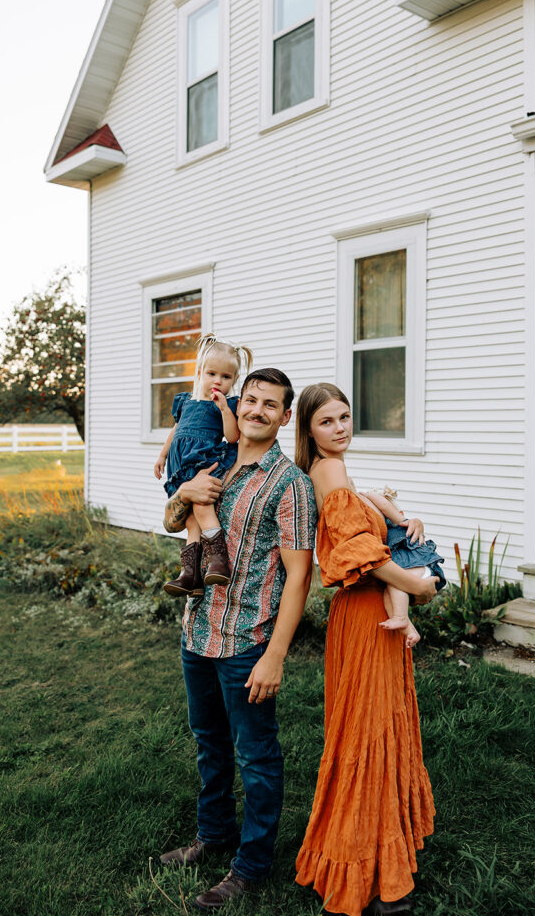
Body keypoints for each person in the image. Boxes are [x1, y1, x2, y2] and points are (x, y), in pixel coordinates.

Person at [159, 368, 317, 912]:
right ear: (238, 403)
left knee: (257, 756)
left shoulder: (290, 484)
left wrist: (276, 655)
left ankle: (250, 866)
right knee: (209, 743)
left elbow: (301, 577)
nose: (256, 411)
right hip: (197, 630)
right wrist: (183, 489)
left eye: (269, 405)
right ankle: (214, 834)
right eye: (250, 400)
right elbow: (175, 522)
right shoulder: (214, 457)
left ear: (284, 416)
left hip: (248, 640)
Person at [294, 383, 439, 916]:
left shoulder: (338, 471)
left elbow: (369, 528)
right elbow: (360, 552)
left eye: (346, 417)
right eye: (327, 421)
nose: (340, 428)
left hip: (363, 616)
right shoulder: (328, 472)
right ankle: (364, 872)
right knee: (370, 730)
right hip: (364, 615)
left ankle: (375, 856)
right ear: (308, 430)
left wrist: (399, 518)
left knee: (373, 727)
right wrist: (417, 586)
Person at [154, 334, 253, 597]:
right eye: (212, 373)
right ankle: (191, 576)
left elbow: (232, 436)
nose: (218, 381)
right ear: (200, 372)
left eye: (226, 377)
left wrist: (224, 410)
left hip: (203, 463)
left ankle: (218, 559)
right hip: (181, 468)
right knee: (190, 520)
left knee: (201, 505)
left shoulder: (227, 404)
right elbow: (175, 430)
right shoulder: (186, 401)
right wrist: (162, 455)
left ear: (233, 380)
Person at [356, 487, 446, 647]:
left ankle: (401, 617)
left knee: (395, 583)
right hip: (414, 569)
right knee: (389, 593)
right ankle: (408, 629)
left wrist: (368, 495)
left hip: (417, 566)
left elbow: (384, 505)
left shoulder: (397, 524)